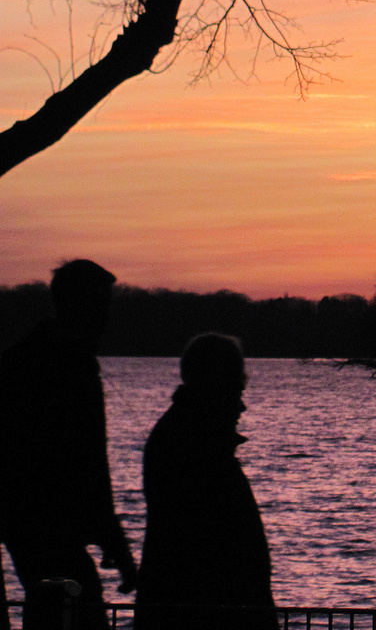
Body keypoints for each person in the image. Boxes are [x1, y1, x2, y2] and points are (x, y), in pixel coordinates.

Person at [0, 259, 137, 630]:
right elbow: (87, 461)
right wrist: (116, 543)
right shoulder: (71, 364)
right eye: (102, 306)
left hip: (21, 524)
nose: (107, 317)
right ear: (80, 305)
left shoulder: (21, 358)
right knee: (78, 606)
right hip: (46, 524)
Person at [135, 333, 276, 630]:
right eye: (237, 390)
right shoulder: (197, 450)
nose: (242, 407)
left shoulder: (182, 439)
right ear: (217, 385)